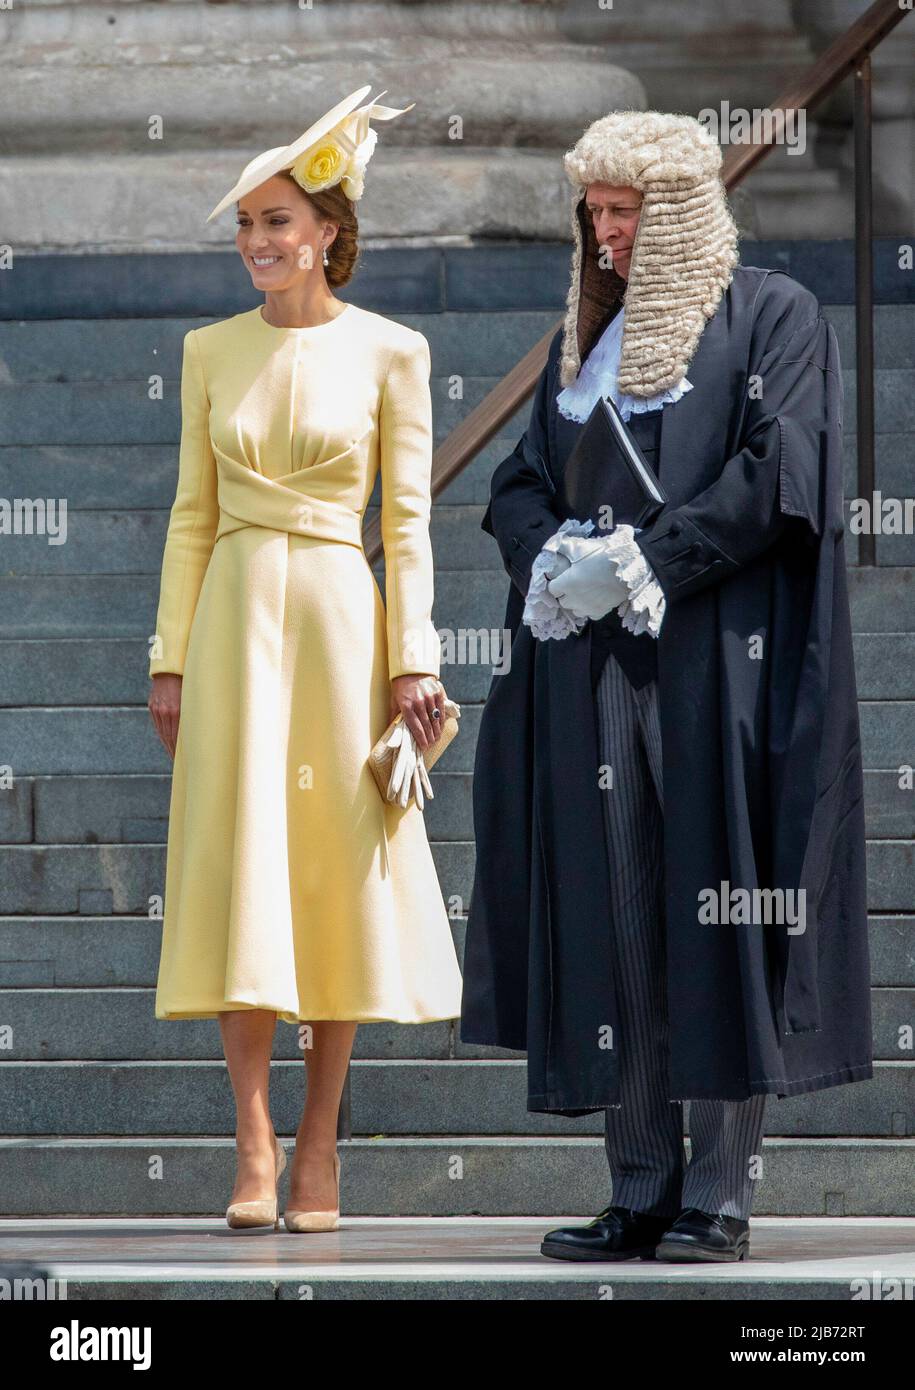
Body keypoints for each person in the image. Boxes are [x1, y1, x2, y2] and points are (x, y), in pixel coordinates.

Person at [461, 110, 872, 1263]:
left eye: (625, 211)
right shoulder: (578, 348)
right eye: (593, 212)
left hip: (717, 668)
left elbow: (781, 472)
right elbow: (519, 477)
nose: (605, 236)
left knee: (719, 917)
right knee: (621, 918)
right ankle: (640, 1180)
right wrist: (553, 555)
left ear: (681, 208)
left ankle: (721, 1190)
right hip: (597, 667)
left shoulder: (773, 316)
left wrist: (657, 557)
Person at [147, 86, 463, 1234]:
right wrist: (168, 655)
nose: (257, 244)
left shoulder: (395, 350)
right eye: (245, 226)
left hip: (341, 619)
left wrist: (413, 663)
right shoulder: (206, 350)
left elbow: (411, 522)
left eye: (277, 222)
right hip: (230, 623)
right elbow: (190, 512)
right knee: (242, 875)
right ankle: (252, 1139)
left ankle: (322, 1142)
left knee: (330, 880)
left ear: (328, 230)